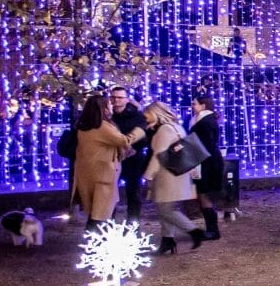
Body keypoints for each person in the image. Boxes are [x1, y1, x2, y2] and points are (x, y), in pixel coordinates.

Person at [74, 91, 146, 225]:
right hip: (104, 171)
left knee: (100, 209)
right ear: (103, 108)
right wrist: (140, 131)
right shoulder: (102, 125)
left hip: (101, 169)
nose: (114, 103)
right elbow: (123, 140)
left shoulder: (86, 123)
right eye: (111, 100)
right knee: (100, 211)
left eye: (119, 98)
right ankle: (100, 238)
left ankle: (104, 235)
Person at [143, 101, 206, 254]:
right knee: (165, 207)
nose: (145, 118)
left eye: (147, 115)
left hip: (167, 175)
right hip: (177, 173)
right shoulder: (176, 127)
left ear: (156, 114)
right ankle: (167, 240)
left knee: (166, 209)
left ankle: (194, 231)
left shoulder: (164, 130)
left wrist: (148, 176)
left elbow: (158, 156)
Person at [109, 86, 150, 219]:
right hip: (112, 160)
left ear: (127, 99)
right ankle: (109, 226)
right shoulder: (107, 116)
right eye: (113, 97)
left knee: (133, 195)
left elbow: (144, 135)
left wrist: (134, 148)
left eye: (120, 97)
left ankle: (133, 227)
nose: (116, 100)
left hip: (133, 160)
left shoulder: (136, 116)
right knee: (110, 195)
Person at [189, 92, 225, 240]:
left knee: (204, 193)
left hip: (206, 163)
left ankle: (212, 229)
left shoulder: (204, 122)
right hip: (206, 161)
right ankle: (211, 227)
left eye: (194, 103)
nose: (192, 106)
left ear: (203, 105)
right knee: (202, 194)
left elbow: (208, 144)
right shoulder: (203, 120)